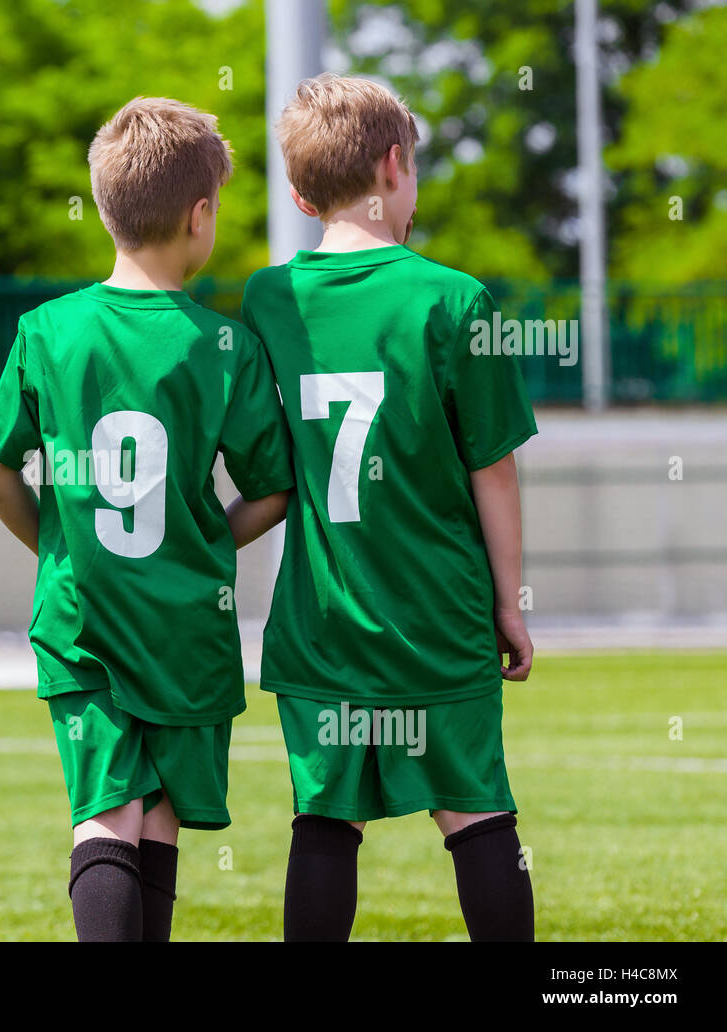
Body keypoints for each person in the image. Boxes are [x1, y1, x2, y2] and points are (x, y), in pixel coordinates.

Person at [0, 97, 294, 941]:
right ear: (201, 216)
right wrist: (206, 538)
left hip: (83, 617)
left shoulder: (47, 330)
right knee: (156, 821)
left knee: (108, 813)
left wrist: (57, 543)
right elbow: (273, 487)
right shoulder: (224, 346)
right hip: (185, 621)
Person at [242, 72, 537, 941]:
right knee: (478, 814)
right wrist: (509, 603)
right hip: (437, 617)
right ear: (396, 162)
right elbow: (494, 470)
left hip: (321, 623)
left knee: (326, 822)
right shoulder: (453, 300)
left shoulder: (267, 298)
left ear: (297, 194)